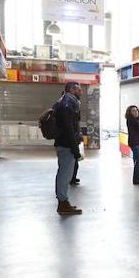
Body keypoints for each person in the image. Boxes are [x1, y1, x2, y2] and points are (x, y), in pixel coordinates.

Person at [53, 82, 84, 215]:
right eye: (79, 89)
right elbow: (68, 128)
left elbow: (72, 126)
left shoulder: (67, 102)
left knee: (65, 174)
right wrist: (75, 148)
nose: (81, 92)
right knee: (64, 175)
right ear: (71, 89)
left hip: (65, 143)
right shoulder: (67, 104)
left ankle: (63, 201)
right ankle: (63, 203)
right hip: (66, 145)